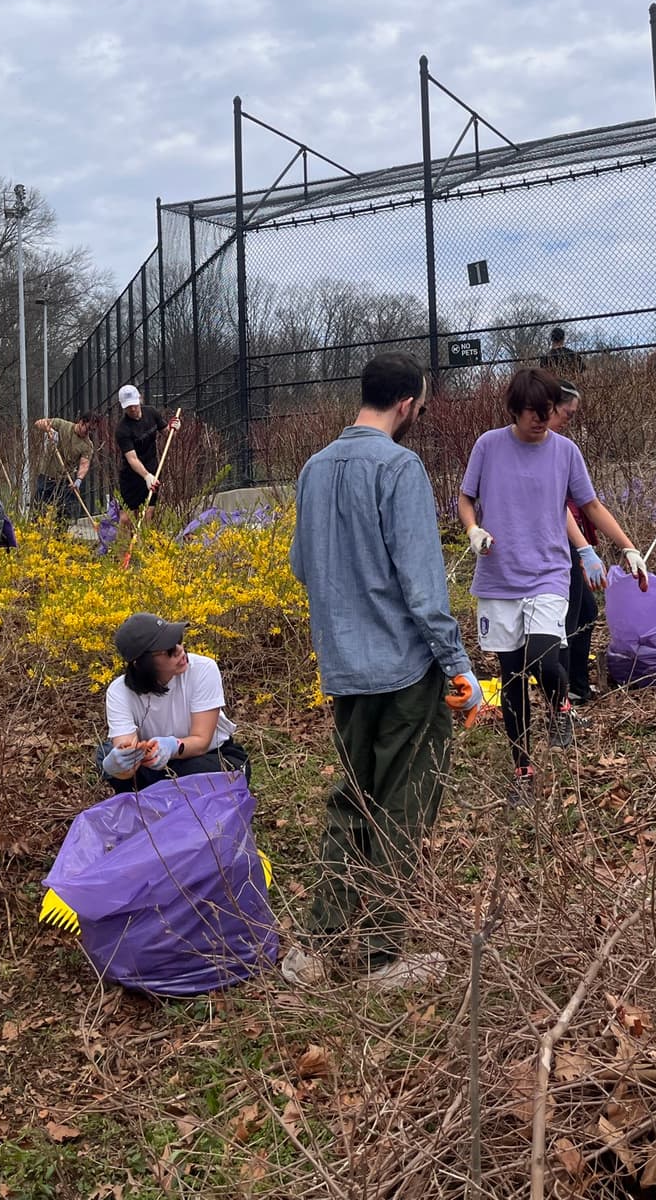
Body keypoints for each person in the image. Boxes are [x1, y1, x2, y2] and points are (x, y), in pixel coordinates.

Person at [284, 352, 482, 992]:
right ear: (407, 405)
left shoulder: (314, 468)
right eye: (421, 406)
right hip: (404, 672)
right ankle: (382, 957)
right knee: (403, 804)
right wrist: (458, 666)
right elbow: (423, 588)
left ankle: (313, 950)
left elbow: (301, 567)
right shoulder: (400, 467)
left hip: (342, 669)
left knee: (352, 800)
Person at [459, 368, 646, 805]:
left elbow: (590, 504)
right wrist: (472, 529)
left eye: (547, 412)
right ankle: (522, 771)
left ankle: (560, 705)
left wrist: (626, 548)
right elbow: (467, 498)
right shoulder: (488, 445)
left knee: (544, 657)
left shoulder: (565, 451)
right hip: (498, 576)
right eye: (533, 414)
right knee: (511, 675)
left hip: (548, 573)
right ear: (514, 410)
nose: (541, 421)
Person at [97, 612, 251, 790]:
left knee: (204, 772)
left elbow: (201, 742)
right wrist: (121, 763)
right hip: (154, 764)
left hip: (208, 756)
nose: (180, 651)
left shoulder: (203, 669)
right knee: (106, 755)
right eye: (169, 650)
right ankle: (159, 796)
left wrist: (173, 746)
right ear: (142, 663)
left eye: (179, 640)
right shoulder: (119, 692)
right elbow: (126, 751)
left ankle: (163, 793)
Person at [547, 381, 598, 716]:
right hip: (556, 544)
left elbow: (587, 502)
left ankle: (578, 686)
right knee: (568, 620)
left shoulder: (561, 448)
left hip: (572, 537)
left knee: (587, 612)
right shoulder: (541, 450)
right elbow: (557, 507)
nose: (570, 419)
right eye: (567, 413)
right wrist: (582, 548)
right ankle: (562, 700)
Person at [113, 385, 178, 525]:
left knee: (148, 513)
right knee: (126, 518)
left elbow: (166, 432)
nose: (132, 409)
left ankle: (144, 546)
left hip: (153, 469)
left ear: (139, 399)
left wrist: (174, 428)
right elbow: (132, 459)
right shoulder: (122, 430)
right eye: (128, 406)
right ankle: (124, 547)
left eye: (134, 405)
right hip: (131, 477)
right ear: (123, 407)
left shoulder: (152, 413)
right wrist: (146, 476)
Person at [33, 411, 99, 517]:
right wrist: (50, 431)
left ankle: (60, 533)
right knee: (39, 512)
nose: (89, 432)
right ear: (81, 422)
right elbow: (39, 423)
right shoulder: (63, 425)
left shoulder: (87, 445)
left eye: (92, 430)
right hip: (46, 477)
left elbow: (84, 464)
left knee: (64, 514)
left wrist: (79, 479)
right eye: (88, 428)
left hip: (64, 480)